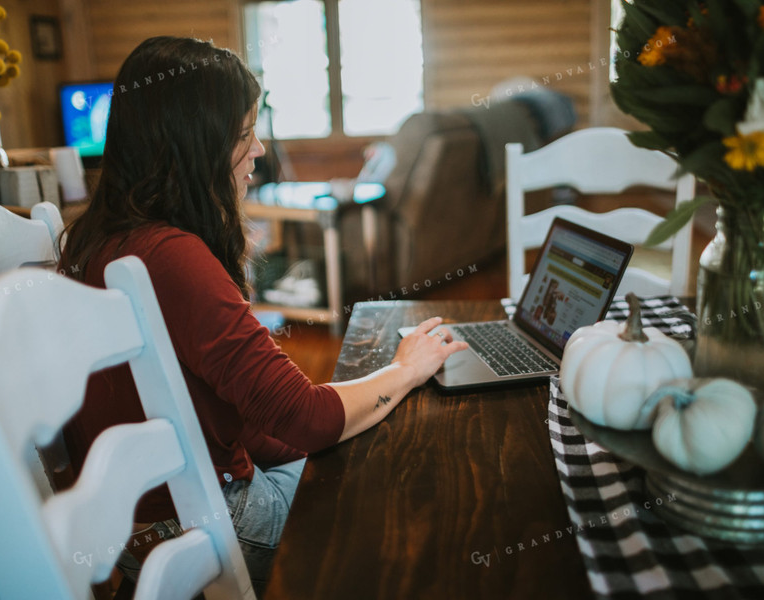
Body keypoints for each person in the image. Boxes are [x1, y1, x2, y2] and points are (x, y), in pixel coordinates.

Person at [58, 36, 468, 595]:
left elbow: (249, 414)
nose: (259, 150)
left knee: (360, 440)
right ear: (196, 141)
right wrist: (406, 368)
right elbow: (304, 417)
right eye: (244, 132)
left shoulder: (103, 239)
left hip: (143, 519)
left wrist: (318, 433)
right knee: (399, 487)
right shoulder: (171, 256)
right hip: (202, 520)